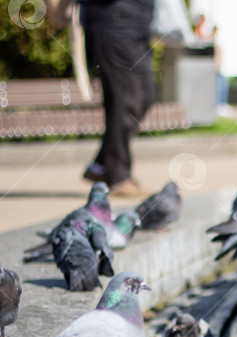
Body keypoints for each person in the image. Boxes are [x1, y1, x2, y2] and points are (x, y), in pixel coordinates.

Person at [80, 0, 156, 197]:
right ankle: (119, 177)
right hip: (113, 18)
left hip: (138, 21)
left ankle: (102, 165)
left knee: (147, 94)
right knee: (125, 100)